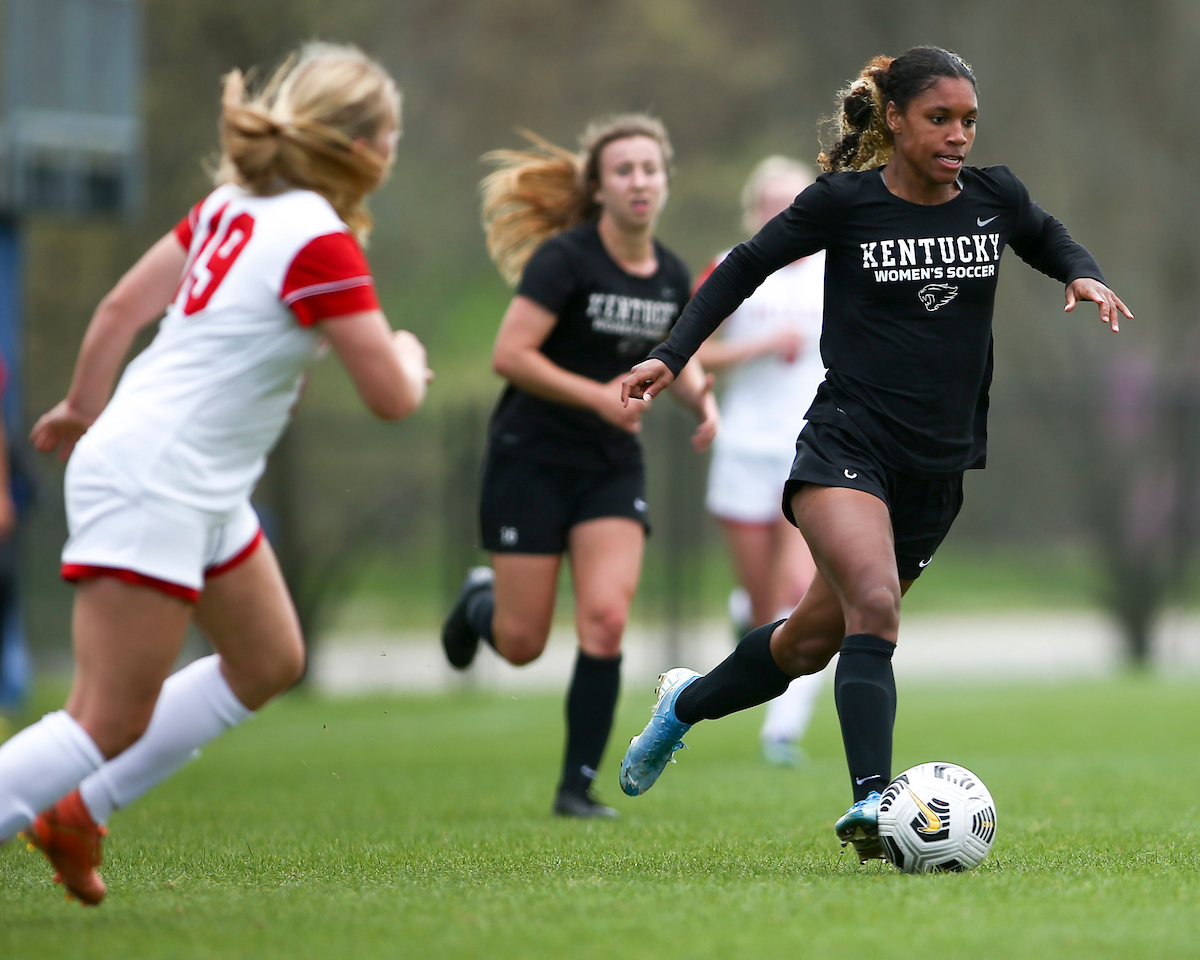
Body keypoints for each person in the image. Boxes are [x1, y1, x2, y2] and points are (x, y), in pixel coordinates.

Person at [617, 46, 1130, 860]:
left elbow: (1045, 234)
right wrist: (673, 355)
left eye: (968, 121)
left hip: (938, 470)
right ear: (894, 118)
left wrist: (1083, 274)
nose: (958, 135)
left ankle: (683, 706)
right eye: (939, 118)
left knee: (804, 644)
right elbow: (744, 267)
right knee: (877, 606)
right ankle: (872, 802)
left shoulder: (994, 197)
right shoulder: (845, 204)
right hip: (846, 444)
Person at [0, 43, 430, 904]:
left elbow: (121, 307)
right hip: (159, 479)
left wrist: (83, 405)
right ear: (360, 148)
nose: (394, 149)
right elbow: (391, 396)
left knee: (267, 657)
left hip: (189, 478)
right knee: (105, 718)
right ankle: (63, 793)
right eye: (391, 134)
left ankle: (78, 811)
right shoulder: (320, 240)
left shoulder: (231, 205)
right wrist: (411, 357)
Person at [441, 116, 718, 819]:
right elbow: (511, 355)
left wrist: (701, 402)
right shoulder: (564, 260)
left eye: (649, 169)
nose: (638, 181)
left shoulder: (670, 274)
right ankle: (479, 603)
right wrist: (597, 396)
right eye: (623, 170)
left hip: (609, 469)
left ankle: (577, 790)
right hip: (530, 459)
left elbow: (676, 356)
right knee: (521, 643)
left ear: (665, 181)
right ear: (597, 187)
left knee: (605, 619)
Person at [696, 156, 828, 767]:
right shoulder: (733, 265)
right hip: (744, 447)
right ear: (752, 211)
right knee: (759, 605)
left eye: (792, 202)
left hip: (813, 449)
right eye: (769, 203)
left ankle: (781, 731)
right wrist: (760, 345)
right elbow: (693, 349)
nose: (780, 213)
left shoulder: (837, 267)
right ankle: (744, 617)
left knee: (799, 590)